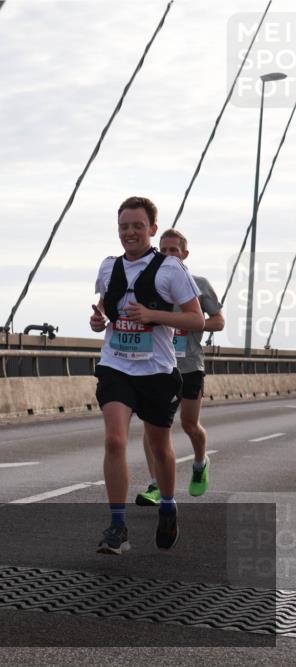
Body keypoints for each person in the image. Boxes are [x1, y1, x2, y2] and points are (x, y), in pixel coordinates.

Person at [90, 196, 204, 555]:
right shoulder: (108, 268)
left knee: (160, 446)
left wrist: (155, 316)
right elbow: (107, 310)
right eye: (124, 226)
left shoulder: (171, 270)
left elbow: (196, 319)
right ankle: (117, 526)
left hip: (156, 369)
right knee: (115, 441)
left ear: (152, 229)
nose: (130, 232)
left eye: (138, 226)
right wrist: (98, 321)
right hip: (116, 365)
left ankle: (168, 505)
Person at [135, 229, 224, 506]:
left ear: (185, 254)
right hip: (158, 365)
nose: (169, 255)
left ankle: (200, 464)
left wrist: (186, 322)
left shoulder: (198, 284)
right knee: (152, 428)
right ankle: (155, 484)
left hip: (189, 366)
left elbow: (218, 322)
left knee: (189, 424)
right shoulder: (152, 286)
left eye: (174, 250)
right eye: (163, 251)